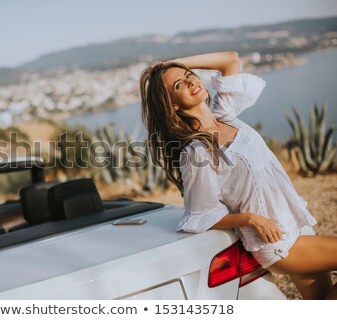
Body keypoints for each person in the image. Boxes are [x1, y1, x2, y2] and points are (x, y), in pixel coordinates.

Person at [139, 51, 337, 299]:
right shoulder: (196, 152)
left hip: (296, 223)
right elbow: (200, 215)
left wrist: (172, 65)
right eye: (179, 84)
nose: (191, 81)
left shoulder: (224, 114)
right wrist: (251, 219)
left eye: (190, 76)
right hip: (279, 242)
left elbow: (230, 59)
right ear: (173, 105)